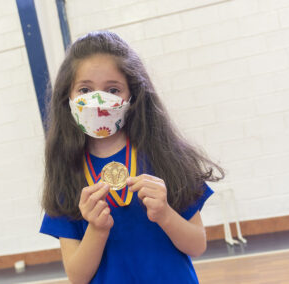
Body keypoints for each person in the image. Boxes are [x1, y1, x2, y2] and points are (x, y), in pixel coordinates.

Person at [40, 30, 224, 284]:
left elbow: (197, 245)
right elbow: (77, 276)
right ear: (68, 97)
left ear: (133, 96)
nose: (97, 101)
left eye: (113, 89)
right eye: (84, 89)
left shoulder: (165, 156)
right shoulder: (66, 174)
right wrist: (97, 229)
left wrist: (165, 214)